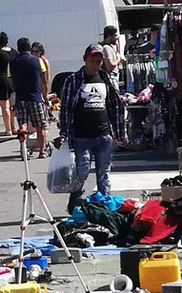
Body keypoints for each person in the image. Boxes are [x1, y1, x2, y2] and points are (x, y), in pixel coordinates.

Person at [55, 44, 127, 213]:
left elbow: (115, 106)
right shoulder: (73, 80)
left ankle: (105, 208)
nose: (95, 64)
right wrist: (64, 133)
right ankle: (75, 203)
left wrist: (120, 133)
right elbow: (65, 109)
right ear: (85, 59)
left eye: (98, 61)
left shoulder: (106, 79)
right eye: (92, 60)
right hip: (82, 137)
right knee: (82, 171)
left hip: (103, 136)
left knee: (104, 174)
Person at [9, 37, 47, 157]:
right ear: (29, 48)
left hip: (20, 97)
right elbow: (44, 80)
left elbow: (10, 80)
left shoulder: (12, 62)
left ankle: (24, 150)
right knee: (40, 125)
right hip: (35, 96)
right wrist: (45, 95)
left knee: (23, 125)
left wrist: (15, 89)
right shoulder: (37, 60)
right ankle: (42, 151)